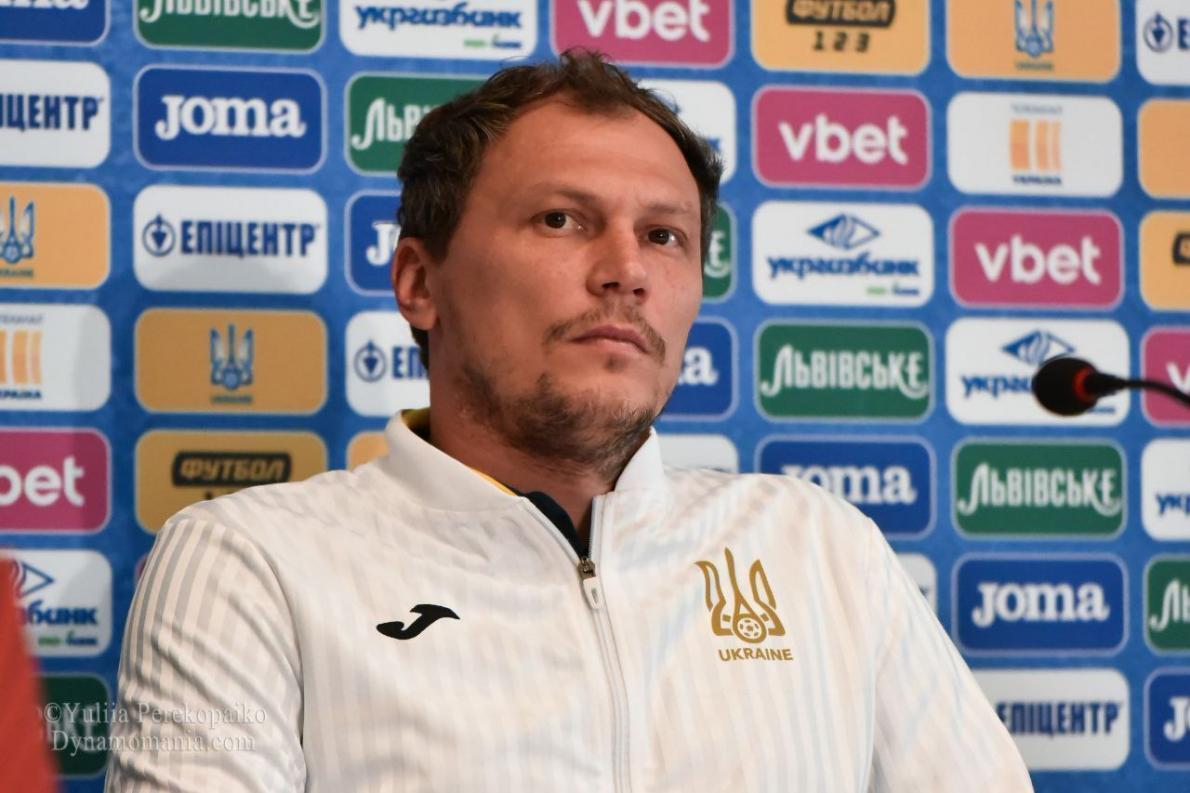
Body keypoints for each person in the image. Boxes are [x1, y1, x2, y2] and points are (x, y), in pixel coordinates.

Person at [106, 51, 1033, 792]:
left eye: (664, 235)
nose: (626, 270)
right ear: (421, 283)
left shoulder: (823, 550)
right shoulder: (252, 564)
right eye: (561, 220)